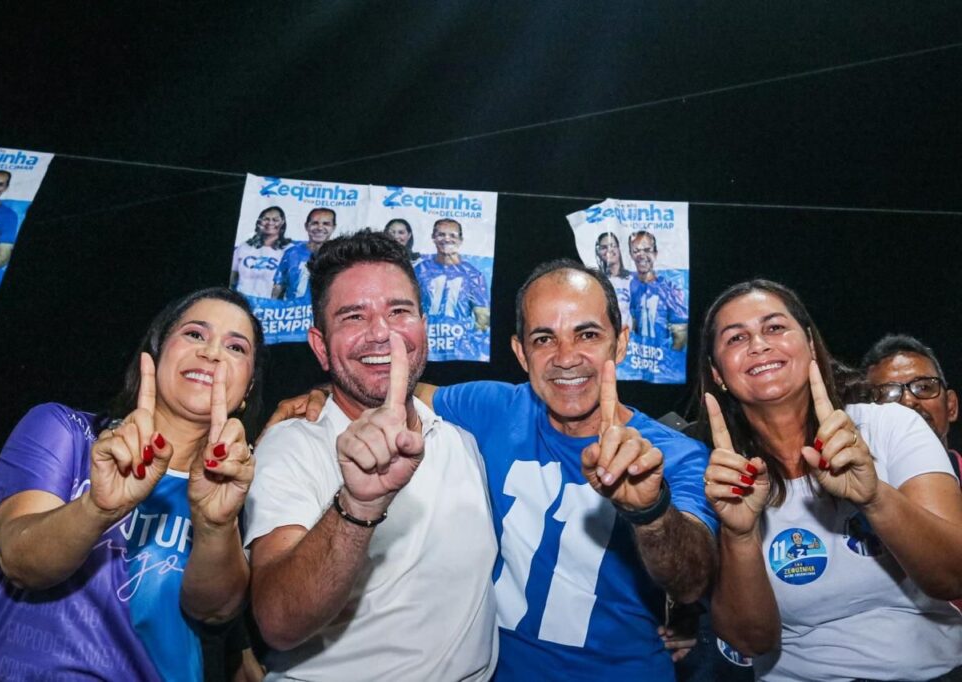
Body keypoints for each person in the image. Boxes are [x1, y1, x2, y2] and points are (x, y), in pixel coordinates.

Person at [266, 258, 717, 679]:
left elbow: (693, 582)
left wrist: (651, 513)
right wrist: (325, 389)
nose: (566, 357)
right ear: (521, 353)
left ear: (621, 341)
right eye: (544, 339)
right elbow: (396, 382)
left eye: (587, 334)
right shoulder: (494, 408)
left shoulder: (674, 455)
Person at [0, 287, 264, 681]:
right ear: (156, 353)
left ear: (247, 389)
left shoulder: (235, 485)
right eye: (195, 334)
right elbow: (20, 563)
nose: (212, 353)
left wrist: (215, 525)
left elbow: (215, 613)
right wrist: (97, 509)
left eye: (236, 347)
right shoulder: (68, 434)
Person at [246, 230, 498, 680]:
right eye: (353, 316)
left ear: (424, 328)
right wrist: (357, 506)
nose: (381, 332)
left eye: (399, 311)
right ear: (321, 346)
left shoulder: (463, 442)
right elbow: (278, 622)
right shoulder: (292, 446)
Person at [699, 279, 962, 681]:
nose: (759, 345)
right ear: (718, 373)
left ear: (809, 344)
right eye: (736, 338)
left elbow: (953, 576)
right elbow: (750, 641)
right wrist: (739, 535)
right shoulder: (719, 476)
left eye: (774, 327)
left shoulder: (891, 426)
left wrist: (875, 498)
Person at [862, 334, 960, 475]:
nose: (908, 401)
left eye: (924, 387)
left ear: (951, 406)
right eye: (889, 394)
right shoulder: (848, 487)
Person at [413, 218, 491, 358]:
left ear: (460, 240)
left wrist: (472, 345)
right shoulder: (420, 270)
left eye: (452, 235)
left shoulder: (473, 274)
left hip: (461, 352)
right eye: (441, 234)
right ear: (433, 237)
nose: (446, 239)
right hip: (426, 350)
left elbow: (483, 317)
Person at [628, 230, 688, 351]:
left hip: (662, 358)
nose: (641, 255)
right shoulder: (630, 286)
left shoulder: (669, 289)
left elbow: (680, 333)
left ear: (655, 254)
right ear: (630, 254)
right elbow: (631, 324)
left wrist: (667, 358)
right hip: (637, 358)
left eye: (647, 250)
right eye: (636, 250)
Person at [271, 207, 336, 301]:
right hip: (293, 308)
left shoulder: (338, 255)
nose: (320, 228)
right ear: (306, 226)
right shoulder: (292, 253)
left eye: (326, 224)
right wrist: (273, 305)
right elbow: (278, 286)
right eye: (315, 223)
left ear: (333, 227)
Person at [231, 206, 293, 299]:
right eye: (266, 219)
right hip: (242, 302)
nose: (270, 223)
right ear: (259, 222)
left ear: (282, 222)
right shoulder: (244, 247)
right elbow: (231, 279)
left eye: (275, 220)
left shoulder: (289, 250)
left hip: (270, 305)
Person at [595, 231, 633, 330]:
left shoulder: (632, 279)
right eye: (604, 247)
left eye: (613, 246)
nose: (609, 250)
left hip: (630, 335)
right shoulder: (596, 281)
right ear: (598, 253)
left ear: (619, 249)